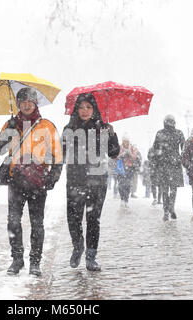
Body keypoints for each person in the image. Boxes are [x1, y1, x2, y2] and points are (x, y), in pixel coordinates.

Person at [0, 87, 63, 277]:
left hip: (37, 181)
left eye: (30, 102)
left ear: (35, 104)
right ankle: (17, 260)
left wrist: (52, 178)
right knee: (13, 221)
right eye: (23, 101)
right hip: (16, 180)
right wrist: (7, 131)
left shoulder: (47, 126)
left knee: (37, 223)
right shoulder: (11, 125)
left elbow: (57, 155)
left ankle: (35, 262)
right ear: (18, 104)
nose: (26, 105)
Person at [60, 93, 120, 271]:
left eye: (88, 107)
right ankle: (78, 246)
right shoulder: (68, 129)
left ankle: (91, 257)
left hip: (97, 181)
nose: (85, 111)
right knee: (74, 219)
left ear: (94, 109)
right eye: (81, 107)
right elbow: (61, 154)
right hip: (75, 180)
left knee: (93, 219)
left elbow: (114, 152)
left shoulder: (104, 128)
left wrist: (112, 134)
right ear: (76, 110)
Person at [153, 115, 185, 221]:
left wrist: (157, 160)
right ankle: (171, 207)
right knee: (173, 189)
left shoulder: (160, 133)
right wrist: (179, 158)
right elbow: (184, 149)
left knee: (165, 189)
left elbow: (155, 149)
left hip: (163, 165)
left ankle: (166, 211)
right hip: (175, 164)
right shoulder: (179, 133)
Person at [116, 136, 141, 206]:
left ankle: (126, 199)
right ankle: (122, 199)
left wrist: (129, 153)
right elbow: (116, 156)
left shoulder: (133, 148)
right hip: (121, 168)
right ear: (122, 141)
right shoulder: (119, 147)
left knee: (127, 184)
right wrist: (122, 154)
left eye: (127, 141)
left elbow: (134, 157)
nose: (125, 142)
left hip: (129, 168)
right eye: (124, 140)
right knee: (121, 185)